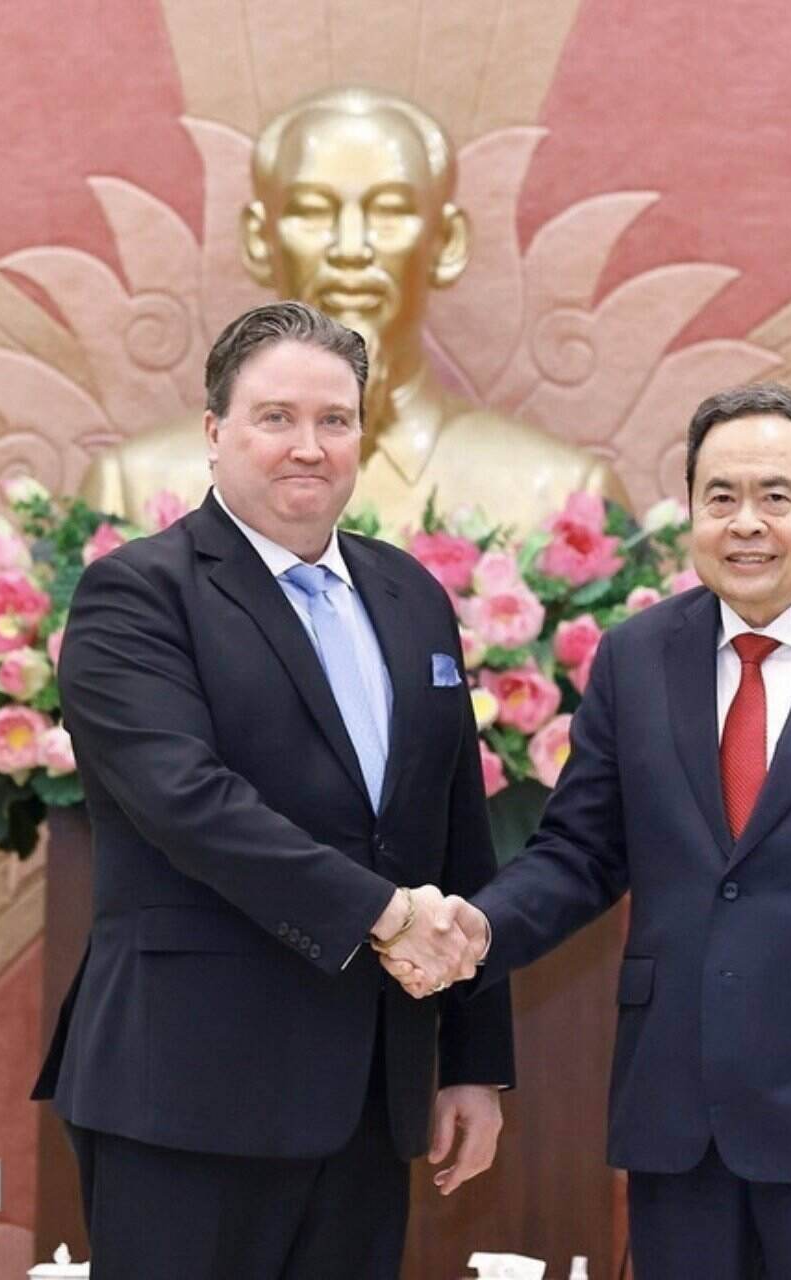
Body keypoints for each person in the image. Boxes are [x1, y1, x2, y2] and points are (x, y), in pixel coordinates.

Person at [389, 383, 791, 1278]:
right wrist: (479, 930)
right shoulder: (637, 658)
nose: (745, 523)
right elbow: (579, 854)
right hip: (677, 1115)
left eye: (776, 496)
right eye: (719, 498)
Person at [33, 301, 512, 1279]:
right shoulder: (139, 594)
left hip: (372, 1101)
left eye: (335, 420)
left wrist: (472, 1058)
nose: (309, 446)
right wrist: (382, 914)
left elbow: (457, 832)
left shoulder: (412, 595)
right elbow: (188, 800)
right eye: (275, 417)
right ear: (214, 433)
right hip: (187, 1091)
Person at [81, 85, 628, 534]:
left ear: (446, 242)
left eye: (388, 212)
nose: (349, 248)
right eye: (312, 213)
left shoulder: (564, 498)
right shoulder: (134, 490)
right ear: (258, 240)